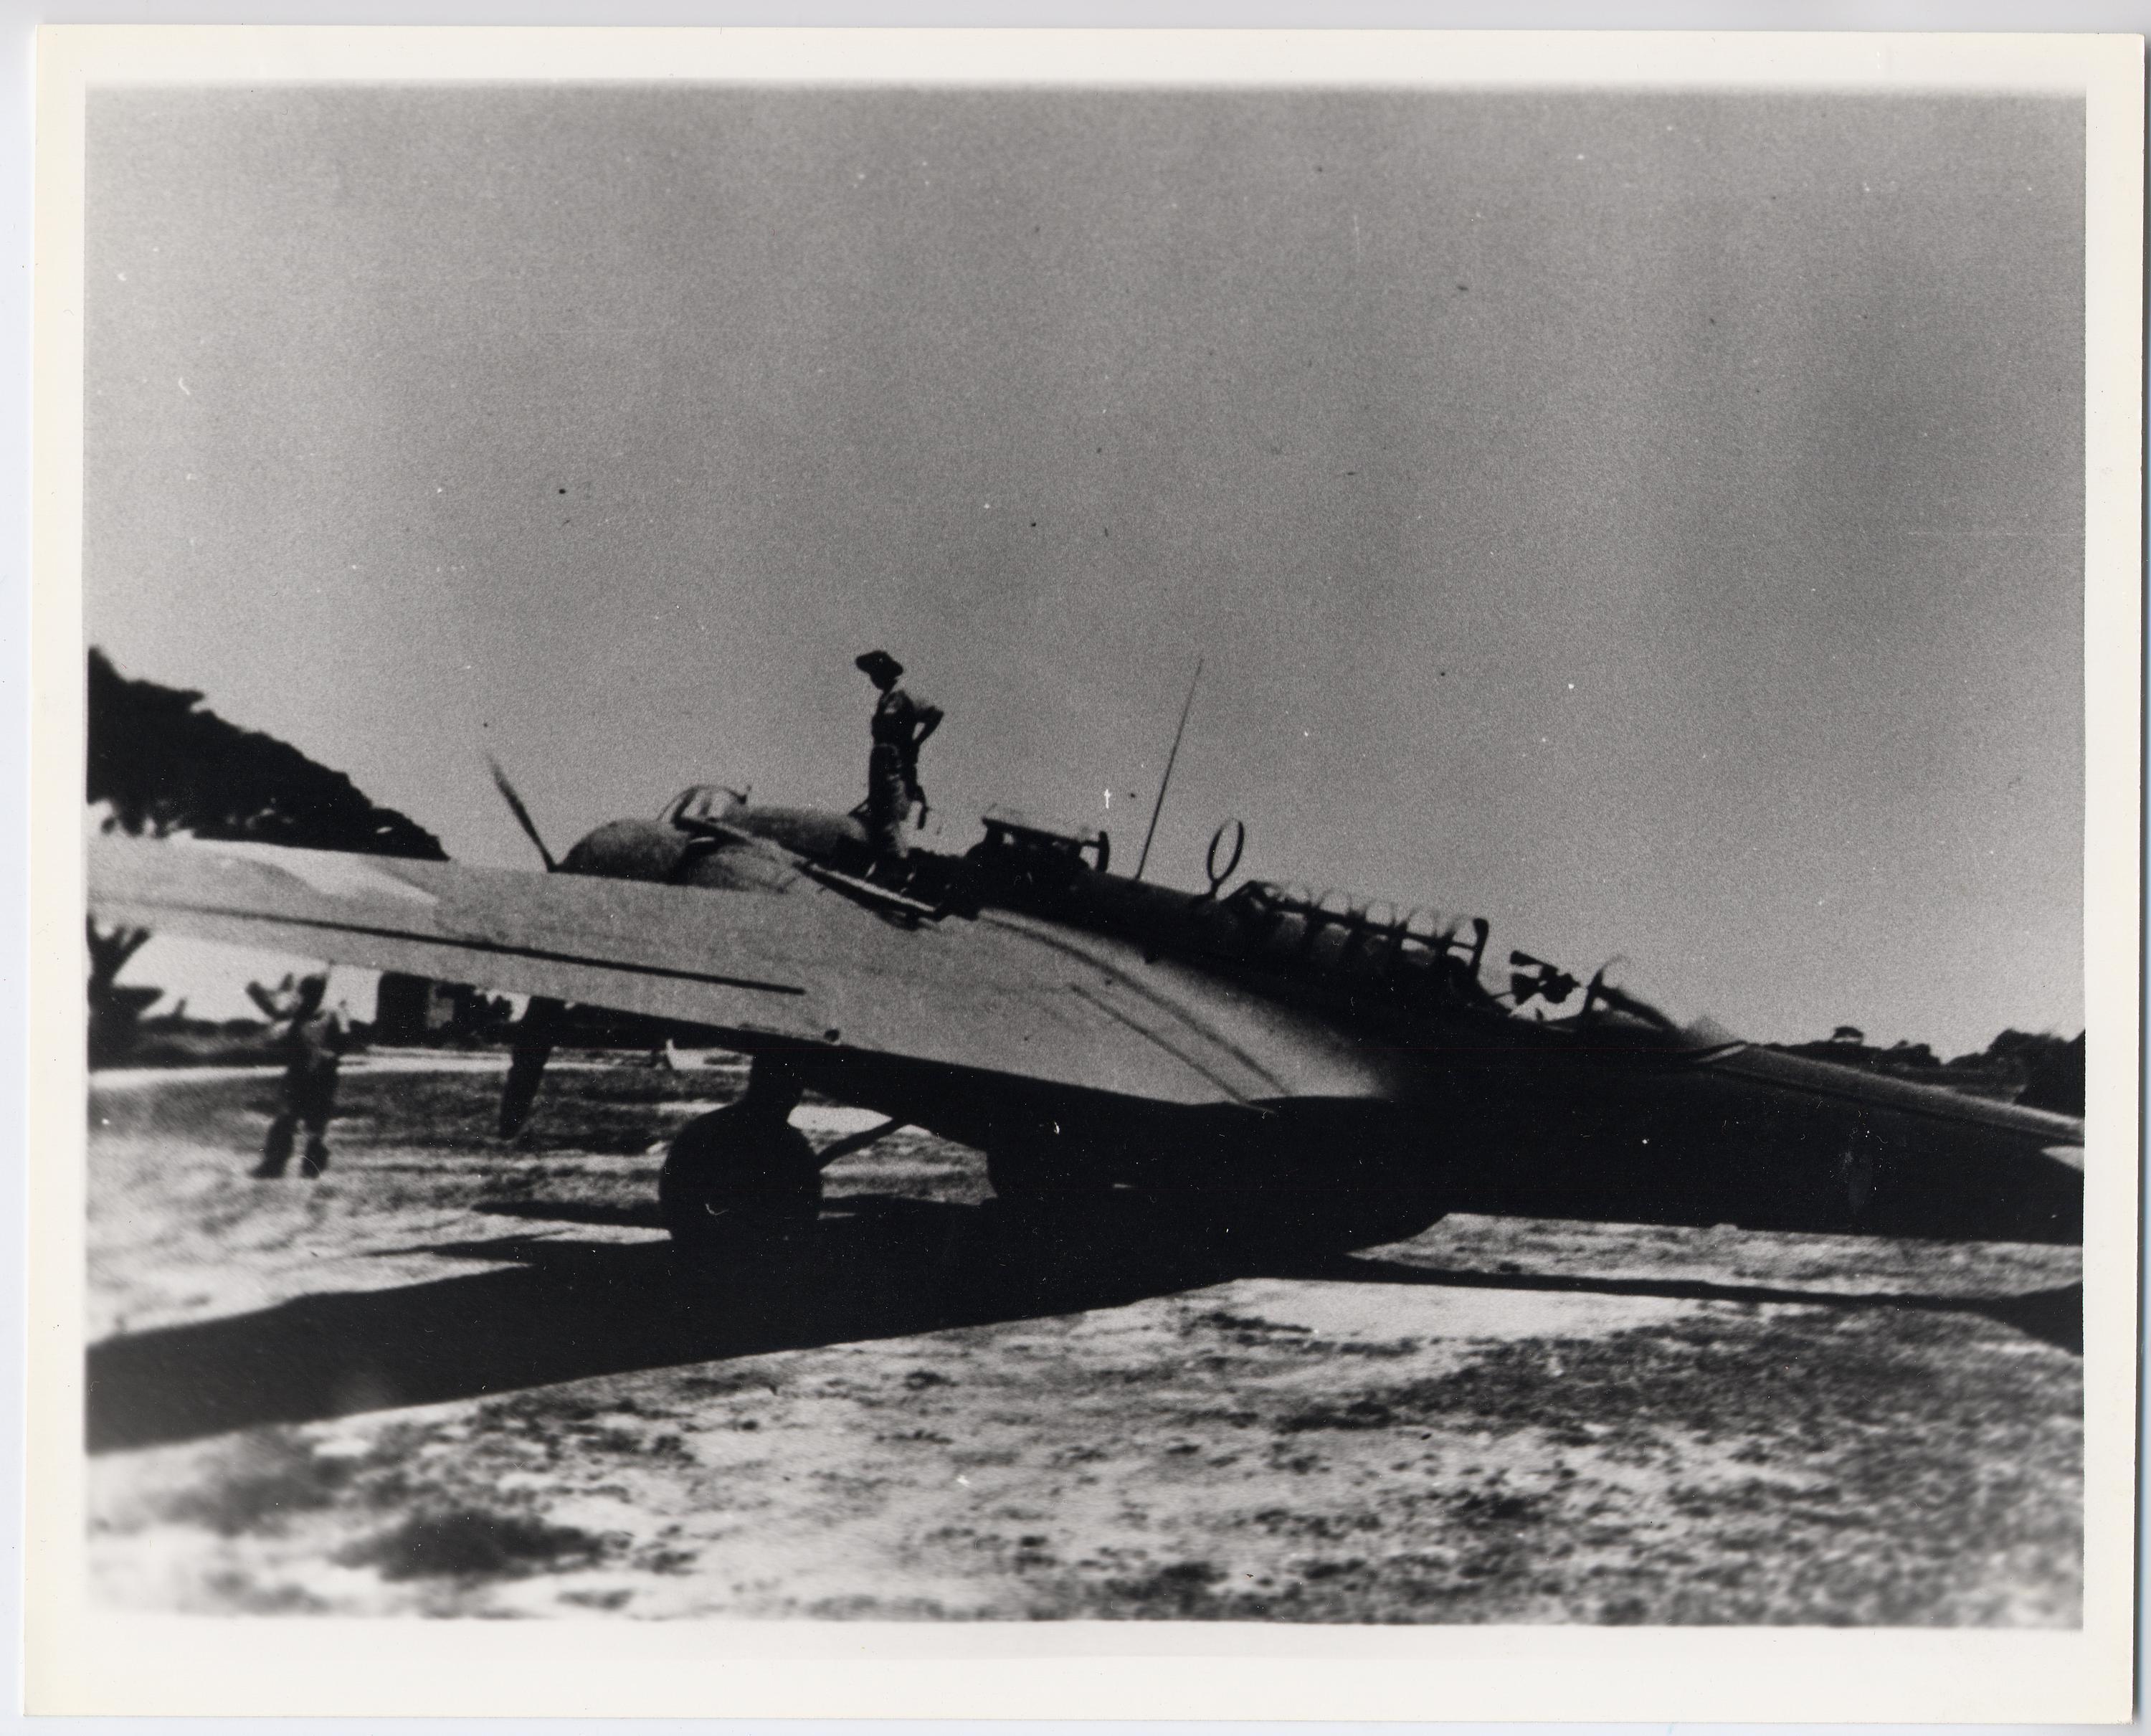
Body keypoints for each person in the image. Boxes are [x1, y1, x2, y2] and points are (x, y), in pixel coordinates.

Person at [248, 971, 347, 1179]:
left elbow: (344, 1042)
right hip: (300, 1075)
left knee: (313, 1125)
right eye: (304, 993)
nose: (305, 998)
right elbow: (280, 1031)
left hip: (321, 1075)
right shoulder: (298, 1014)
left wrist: (329, 1052)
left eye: (308, 993)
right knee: (287, 1119)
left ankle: (309, 1167)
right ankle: (275, 1165)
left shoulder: (333, 1014)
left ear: (318, 995)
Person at [855, 650, 941, 860]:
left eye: (876, 673)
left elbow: (935, 714)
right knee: (877, 814)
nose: (873, 678)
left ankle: (898, 864)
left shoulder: (903, 693)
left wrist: (916, 743)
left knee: (890, 819)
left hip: (895, 760)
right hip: (880, 759)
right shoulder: (885, 698)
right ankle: (883, 862)